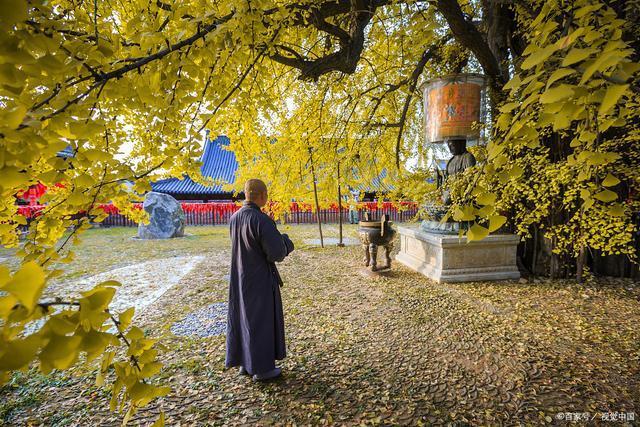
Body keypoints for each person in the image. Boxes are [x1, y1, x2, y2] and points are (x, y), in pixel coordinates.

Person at [225, 179, 294, 381]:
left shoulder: (235, 218)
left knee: (243, 318)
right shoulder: (261, 220)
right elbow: (276, 253)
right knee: (260, 321)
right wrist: (286, 242)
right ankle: (262, 369)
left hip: (240, 277)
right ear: (262, 195)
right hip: (259, 279)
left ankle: (245, 363)